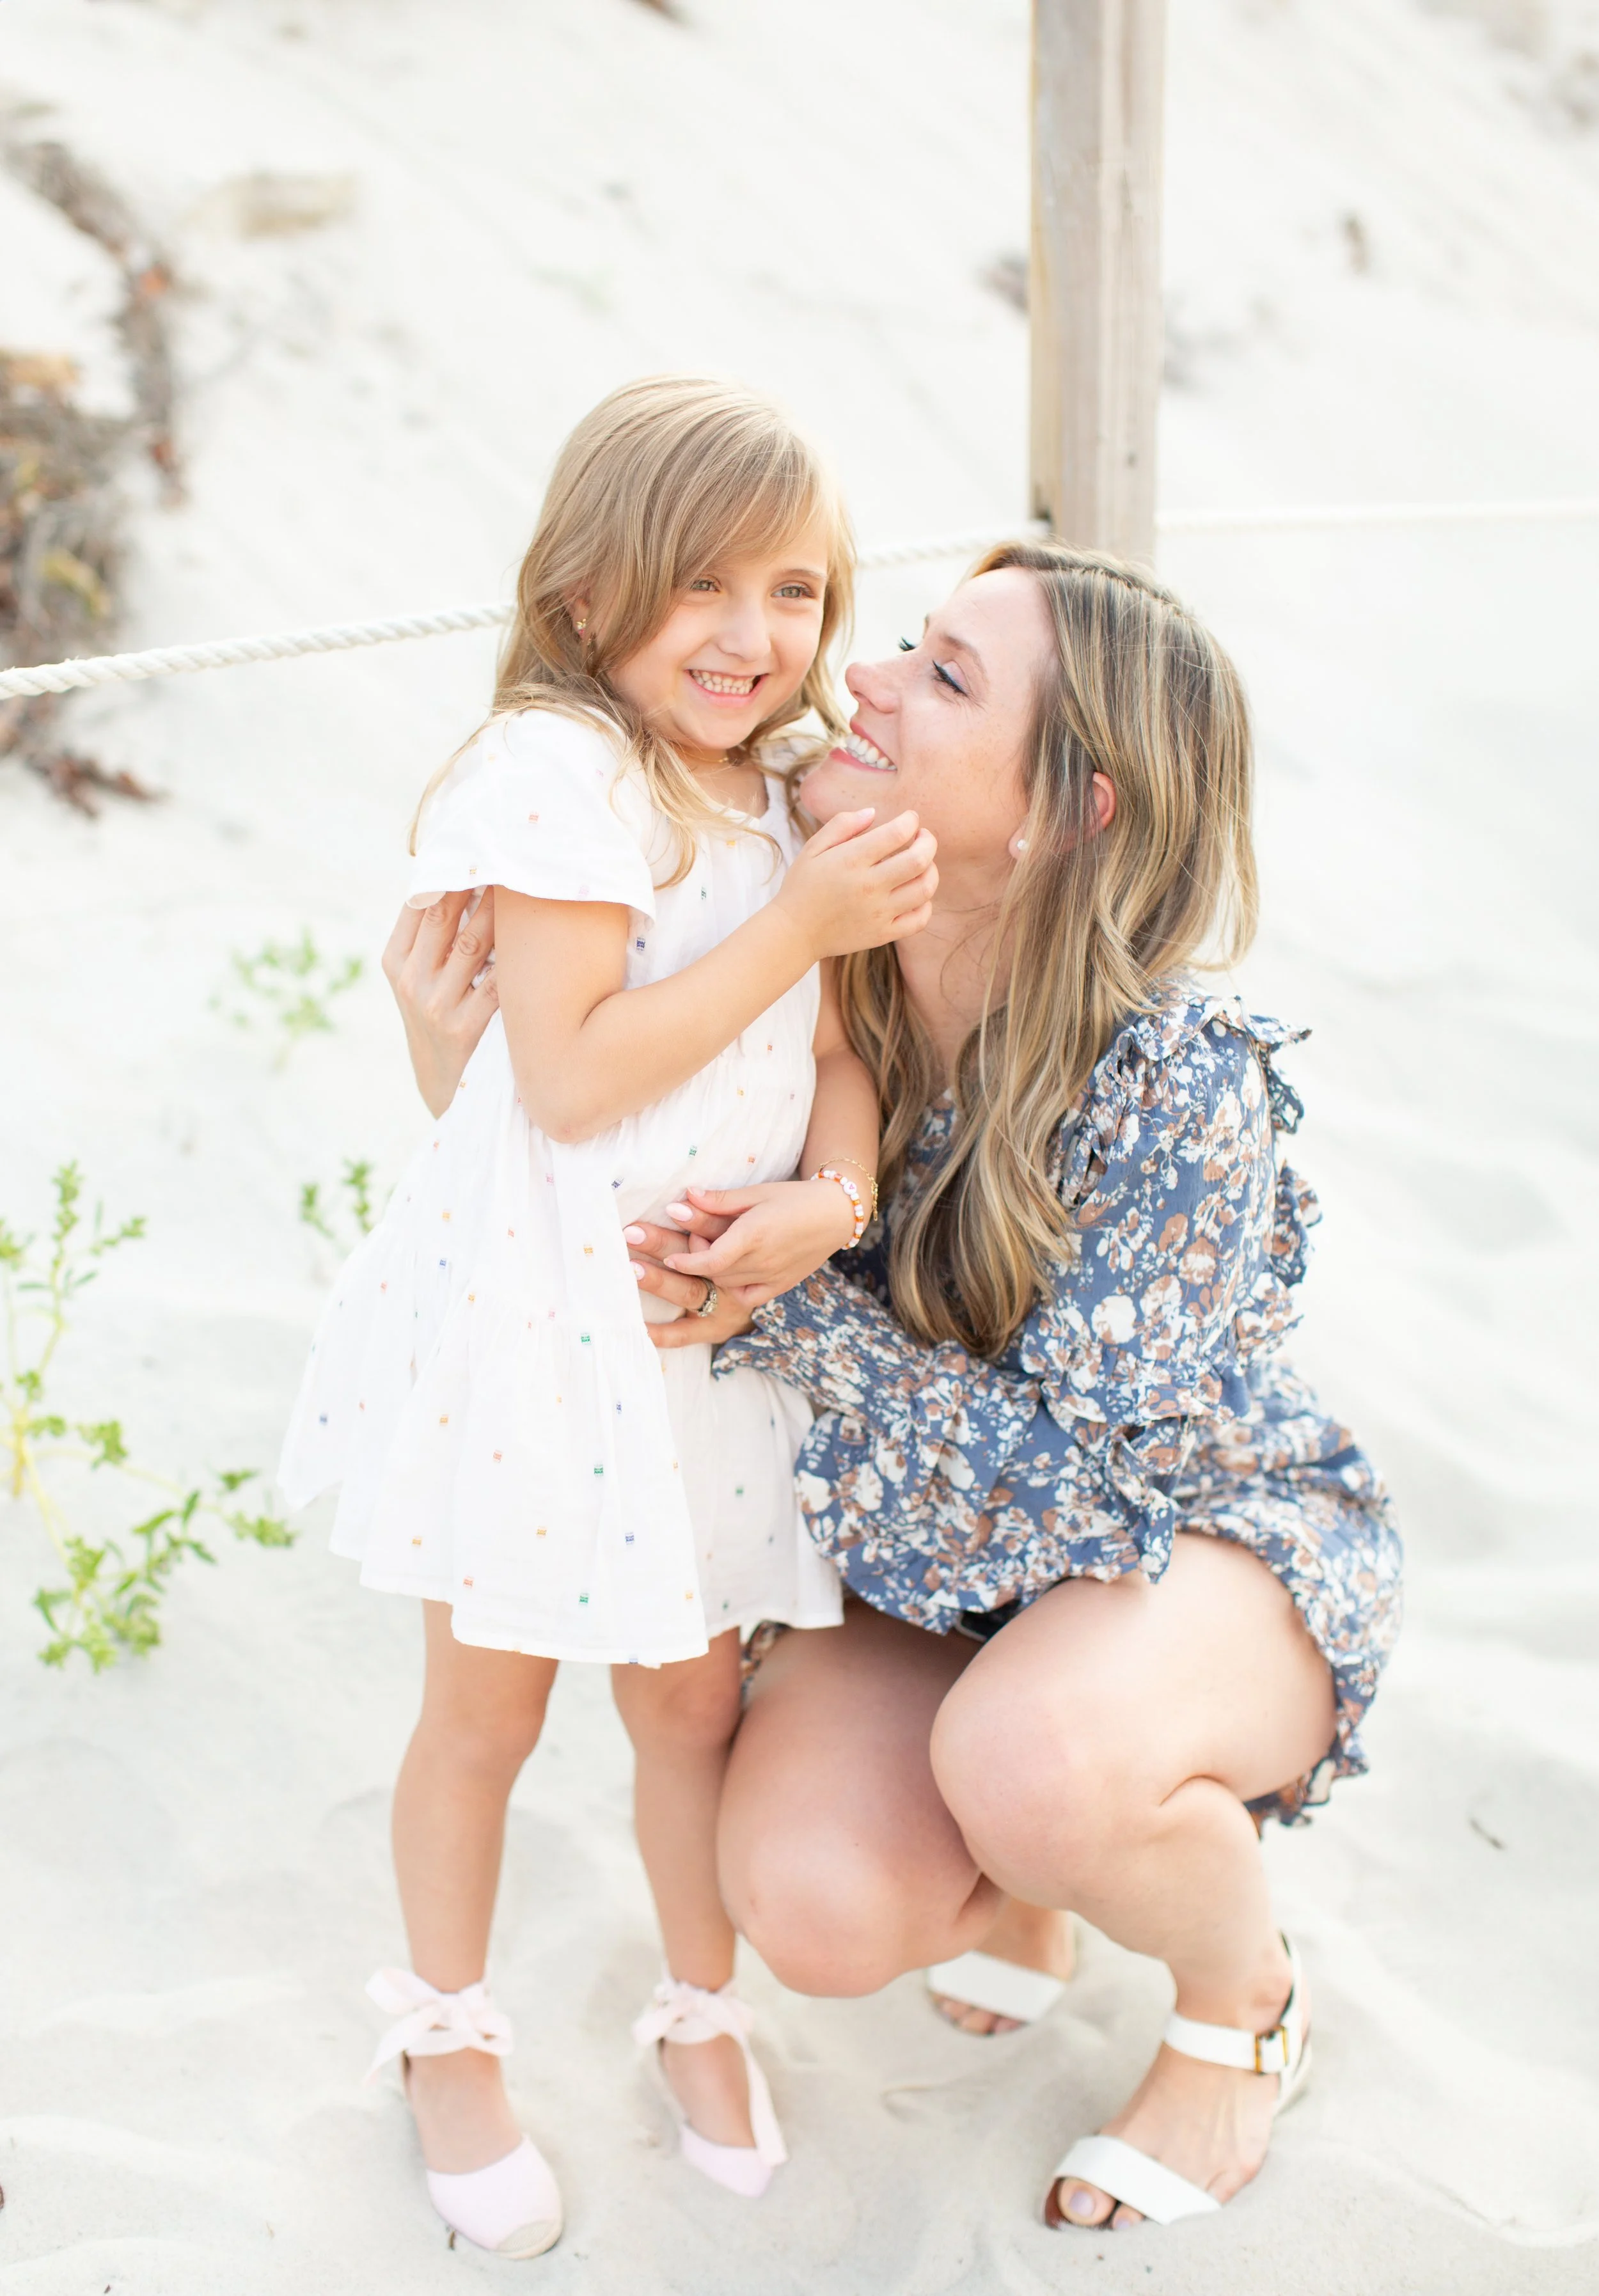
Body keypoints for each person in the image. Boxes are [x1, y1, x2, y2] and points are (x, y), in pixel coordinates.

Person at [395, 539, 1403, 2237]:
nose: (852, 677)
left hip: (1187, 1547)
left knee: (1034, 1755)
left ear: (1066, 809)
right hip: (920, 1571)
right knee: (811, 1900)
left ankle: (1240, 2005)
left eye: (940, 677)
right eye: (905, 644)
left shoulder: (1174, 1078)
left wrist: (781, 1296)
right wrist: (460, 1065)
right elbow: (603, 1177)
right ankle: (1031, 1885)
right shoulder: (802, 939)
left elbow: (1074, 1490)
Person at [280, 376, 938, 2257]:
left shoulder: (780, 783)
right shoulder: (554, 772)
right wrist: (798, 921)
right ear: (585, 595)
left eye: (795, 591)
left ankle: (698, 2001)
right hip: (536, 1342)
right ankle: (449, 2036)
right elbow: (564, 1082)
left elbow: (837, 1055)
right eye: (699, 587)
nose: (750, 637)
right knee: (484, 1710)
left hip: (699, 1342)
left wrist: (832, 1194)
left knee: (684, 1702)